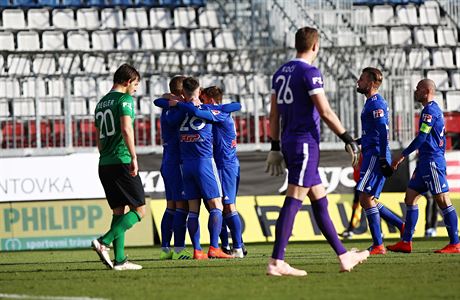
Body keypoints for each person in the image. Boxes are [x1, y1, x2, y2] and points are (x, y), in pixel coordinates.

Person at [265, 26, 369, 277]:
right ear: (315, 46)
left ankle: (344, 256)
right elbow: (325, 111)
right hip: (304, 143)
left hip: (291, 141)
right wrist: (347, 137)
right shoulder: (310, 72)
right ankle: (277, 260)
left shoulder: (280, 73)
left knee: (319, 199)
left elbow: (274, 114)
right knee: (294, 196)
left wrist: (275, 146)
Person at [387, 79, 460, 254]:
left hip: (433, 161)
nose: (415, 91)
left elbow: (422, 138)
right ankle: (406, 242)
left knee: (442, 200)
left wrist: (401, 156)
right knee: (410, 198)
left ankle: (455, 243)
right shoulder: (427, 110)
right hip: (424, 163)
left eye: (418, 88)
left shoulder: (431, 111)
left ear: (426, 91)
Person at [91, 64, 145, 271]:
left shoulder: (101, 103)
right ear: (127, 81)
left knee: (118, 211)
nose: (136, 89)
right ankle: (104, 242)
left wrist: (105, 155)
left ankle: (120, 259)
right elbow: (126, 128)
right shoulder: (125, 100)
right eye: (136, 84)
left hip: (105, 162)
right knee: (140, 209)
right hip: (122, 160)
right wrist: (133, 156)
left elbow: (99, 139)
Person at [173, 77, 234, 259]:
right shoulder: (206, 109)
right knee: (216, 205)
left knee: (193, 209)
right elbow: (234, 107)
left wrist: (179, 103)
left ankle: (197, 250)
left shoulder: (178, 111)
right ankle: (214, 247)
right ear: (199, 92)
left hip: (186, 164)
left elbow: (160, 104)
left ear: (183, 92)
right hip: (204, 162)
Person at [355, 67, 405, 255]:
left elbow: (383, 131)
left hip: (376, 155)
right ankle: (401, 226)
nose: (358, 82)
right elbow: (373, 133)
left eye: (361, 79)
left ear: (370, 82)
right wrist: (356, 142)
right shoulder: (370, 103)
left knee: (365, 197)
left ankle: (378, 244)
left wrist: (383, 158)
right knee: (368, 198)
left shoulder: (376, 103)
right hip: (371, 153)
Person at [201, 86, 245, 258]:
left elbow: (237, 105)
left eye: (203, 99)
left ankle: (239, 247)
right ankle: (226, 245)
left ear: (211, 100)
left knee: (228, 206)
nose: (202, 102)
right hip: (220, 164)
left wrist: (187, 104)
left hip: (226, 166)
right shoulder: (220, 112)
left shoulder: (220, 114)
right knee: (216, 206)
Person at [154, 75, 192, 260]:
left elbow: (160, 100)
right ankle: (178, 250)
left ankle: (165, 249)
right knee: (181, 206)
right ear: (180, 92)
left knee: (171, 206)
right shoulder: (176, 110)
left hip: (168, 160)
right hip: (176, 163)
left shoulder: (168, 106)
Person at [339, 154, 363, 239]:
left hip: (363, 183)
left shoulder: (364, 154)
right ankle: (350, 230)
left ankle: (350, 230)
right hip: (359, 183)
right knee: (357, 207)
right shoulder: (358, 156)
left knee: (369, 208)